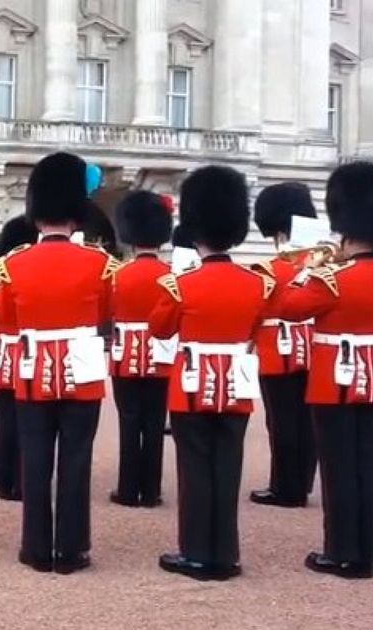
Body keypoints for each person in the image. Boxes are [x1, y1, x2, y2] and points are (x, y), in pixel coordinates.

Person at [0, 152, 116, 574]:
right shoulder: (100, 264)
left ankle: (36, 547)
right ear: (77, 214)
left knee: (36, 457)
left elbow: (4, 321)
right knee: (76, 459)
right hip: (82, 370)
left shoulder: (13, 265)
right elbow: (106, 317)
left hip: (32, 371)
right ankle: (73, 548)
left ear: (37, 214)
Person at [149, 165, 272, 581]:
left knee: (195, 467)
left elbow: (159, 328)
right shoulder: (257, 283)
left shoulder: (181, 284)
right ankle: (226, 554)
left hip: (192, 383)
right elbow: (259, 327)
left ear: (195, 231)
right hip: (235, 382)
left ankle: (197, 553)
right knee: (228, 465)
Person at [279, 161, 373, 579]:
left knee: (338, 467)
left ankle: (342, 551)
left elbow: (289, 307)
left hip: (334, 382)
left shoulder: (332, 277)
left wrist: (309, 267)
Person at [249, 183, 318, 509]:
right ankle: (301, 482)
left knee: (281, 421)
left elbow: (257, 311)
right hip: (316, 352)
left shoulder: (270, 269)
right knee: (307, 420)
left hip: (277, 353)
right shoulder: (323, 265)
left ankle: (284, 487)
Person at [108, 191, 175, 509]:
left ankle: (127, 488)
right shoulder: (172, 276)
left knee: (128, 421)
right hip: (161, 357)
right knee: (154, 423)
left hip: (125, 358)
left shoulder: (117, 275)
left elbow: (106, 314)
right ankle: (151, 490)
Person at [0, 216, 38, 502]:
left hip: (5, 356)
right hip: (30, 355)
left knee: (5, 421)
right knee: (27, 422)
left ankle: (2, 477)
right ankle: (19, 480)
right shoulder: (32, 276)